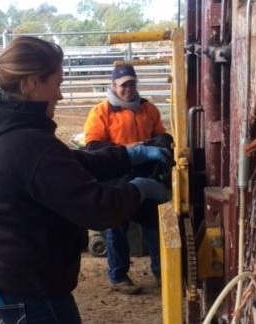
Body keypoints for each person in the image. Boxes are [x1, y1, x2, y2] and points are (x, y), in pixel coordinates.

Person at [0, 36, 171, 324]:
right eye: (57, 84)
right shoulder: (29, 144)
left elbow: (74, 163)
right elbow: (97, 209)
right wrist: (140, 189)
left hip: (0, 276)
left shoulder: (9, 130)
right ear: (32, 84)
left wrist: (131, 154)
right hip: (25, 289)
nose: (60, 96)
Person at [83, 64, 172, 295]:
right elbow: (92, 146)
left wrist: (161, 143)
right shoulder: (101, 112)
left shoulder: (148, 109)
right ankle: (118, 276)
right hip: (116, 176)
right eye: (123, 85)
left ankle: (161, 272)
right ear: (113, 86)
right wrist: (127, 149)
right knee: (117, 227)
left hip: (145, 175)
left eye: (132, 83)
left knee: (154, 223)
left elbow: (160, 135)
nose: (128, 89)